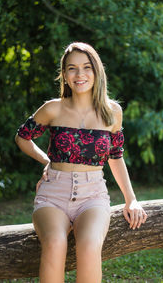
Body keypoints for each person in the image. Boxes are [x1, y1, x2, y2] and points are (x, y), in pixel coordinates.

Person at [15, 42, 147, 283]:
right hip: (52, 194)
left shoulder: (112, 112)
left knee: (89, 245)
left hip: (93, 195)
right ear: (64, 75)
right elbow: (22, 137)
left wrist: (132, 199)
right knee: (55, 243)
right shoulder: (52, 108)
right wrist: (46, 160)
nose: (80, 74)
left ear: (96, 71)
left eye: (86, 67)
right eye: (72, 68)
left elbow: (116, 156)